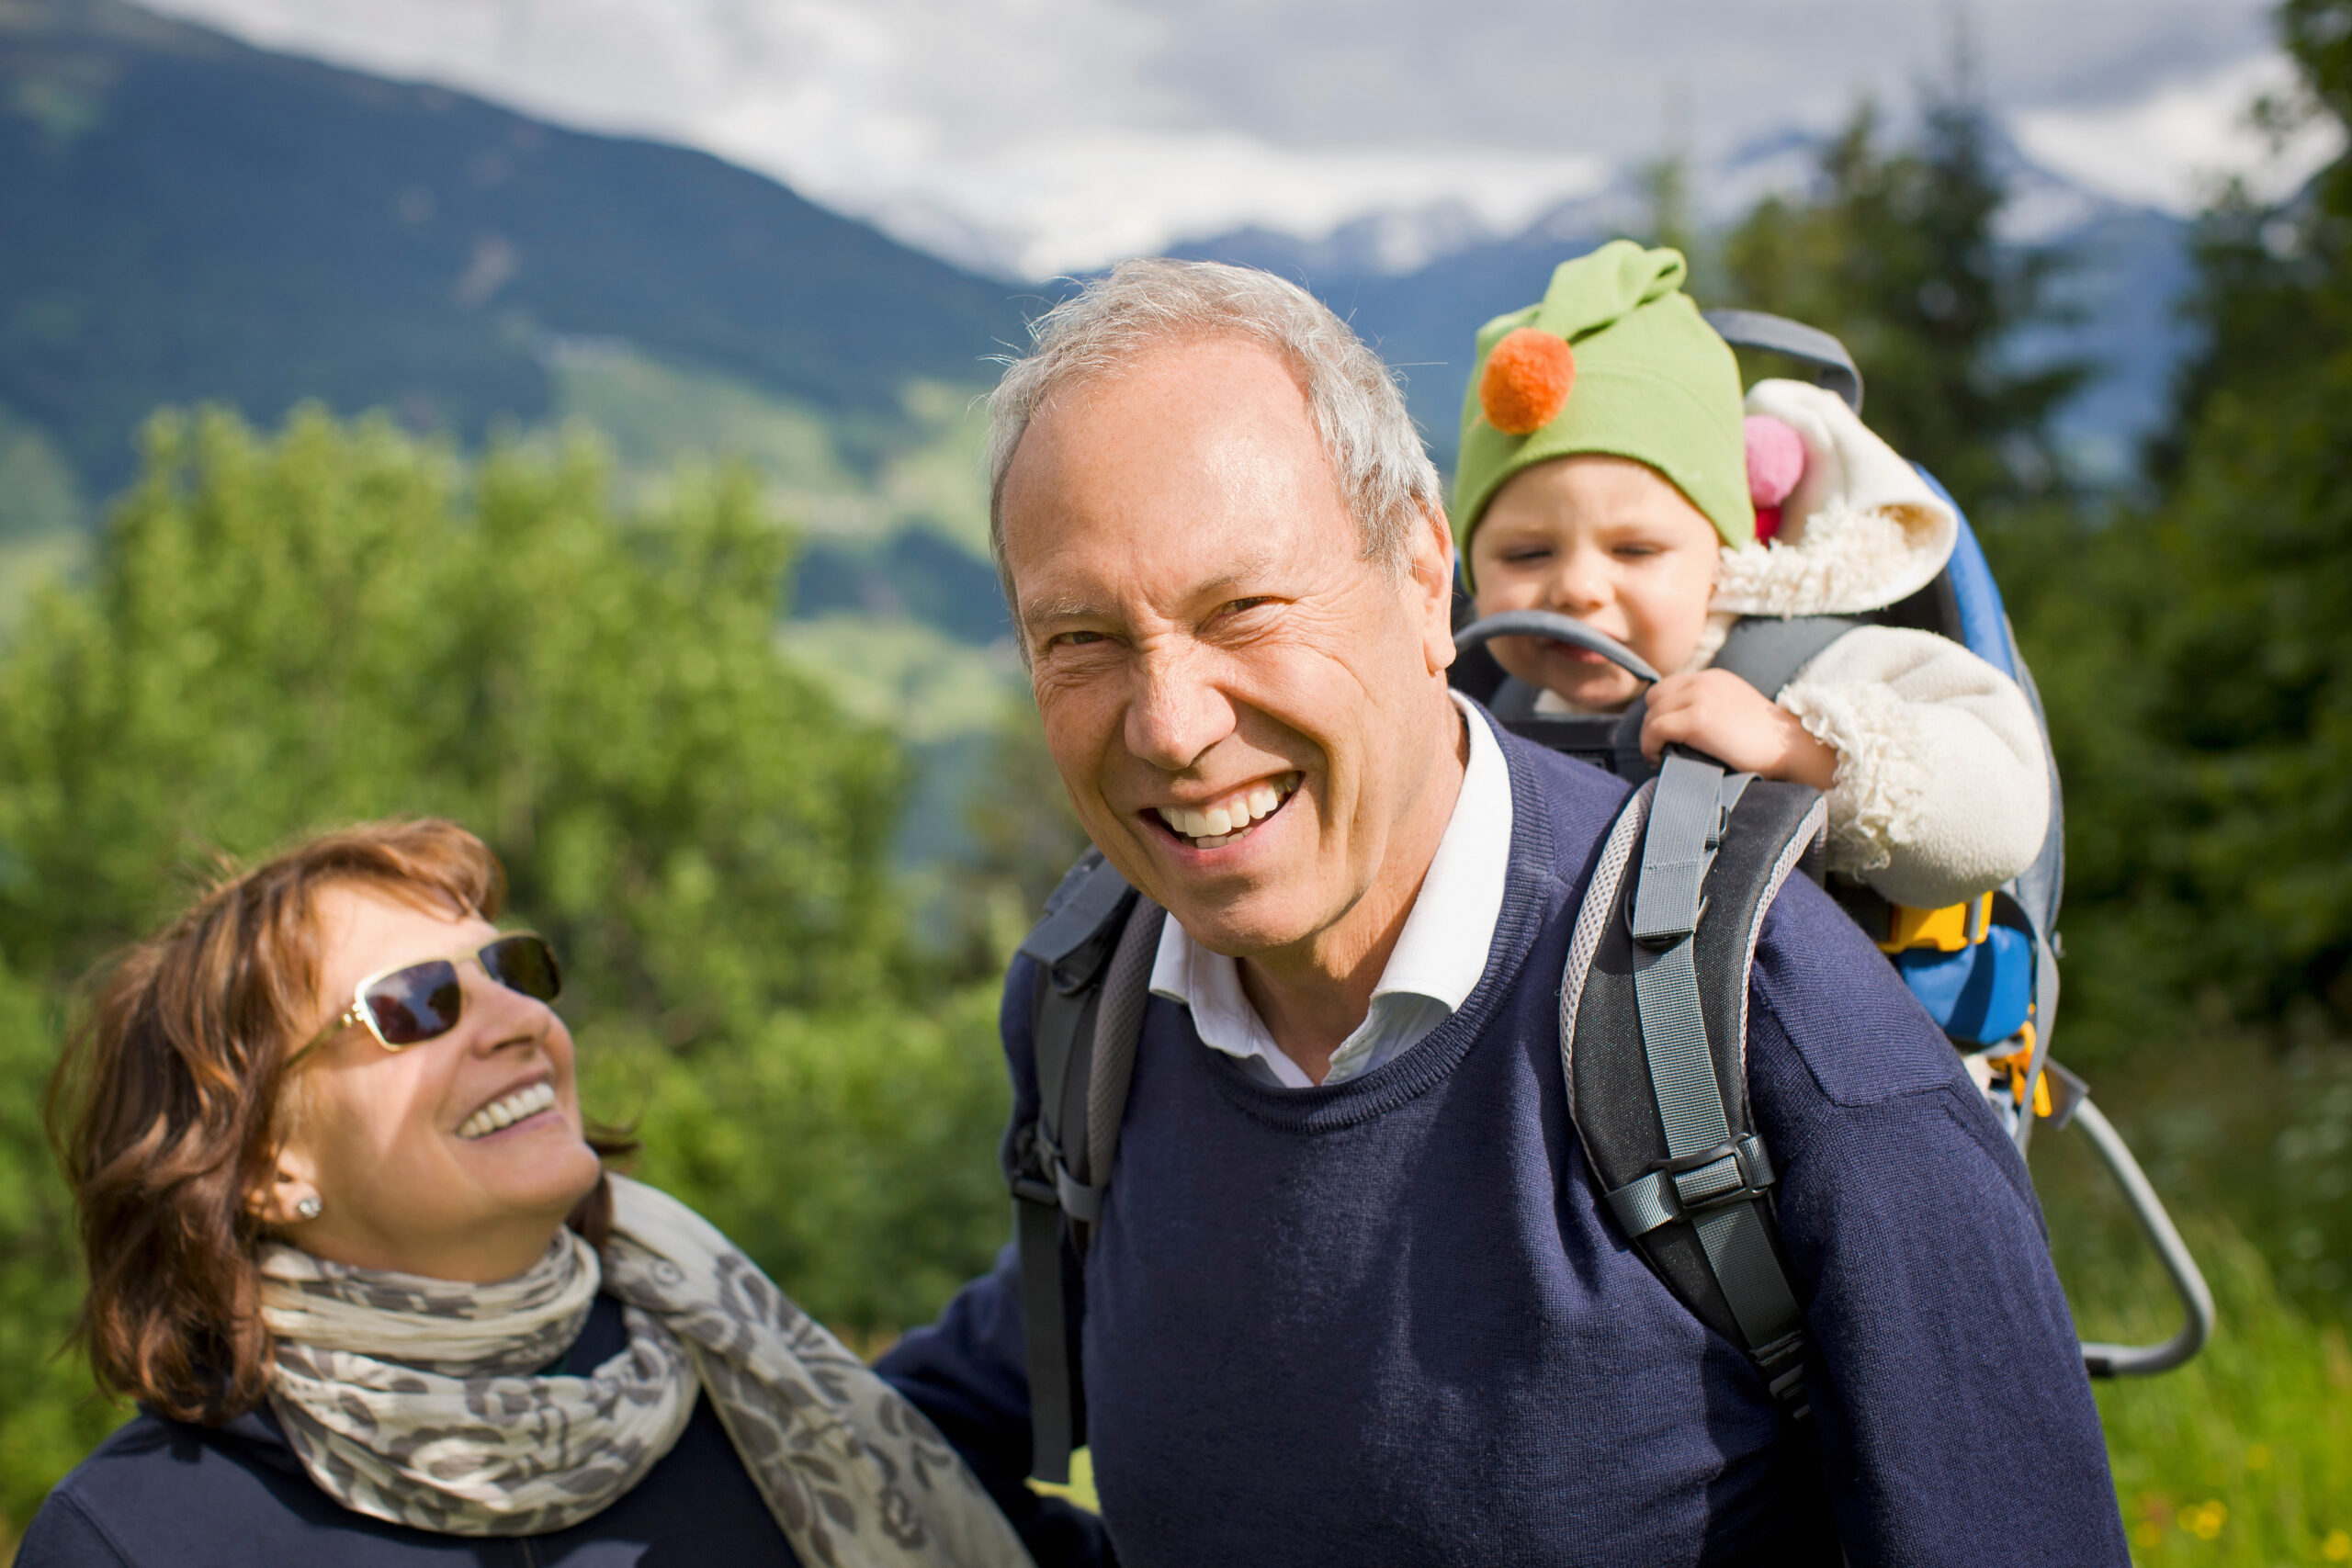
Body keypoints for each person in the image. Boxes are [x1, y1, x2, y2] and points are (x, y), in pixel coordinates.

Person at [876, 257, 2129, 1564]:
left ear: (1425, 578)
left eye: (1242, 608)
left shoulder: (1774, 1040)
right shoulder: (1097, 1004)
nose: (1172, 725)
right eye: (1079, 638)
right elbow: (1008, 1365)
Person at [19, 818, 1059, 1568]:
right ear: (259, 1165)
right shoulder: (141, 1538)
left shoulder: (750, 1387)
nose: (516, 1020)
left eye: (508, 970)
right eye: (417, 1006)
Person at [1458, 239, 2051, 915]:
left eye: (1636, 550)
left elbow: (2006, 810)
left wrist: (1796, 745)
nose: (1578, 588)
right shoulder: (1493, 701)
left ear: (1726, 551)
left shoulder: (1805, 664)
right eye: (1527, 555)